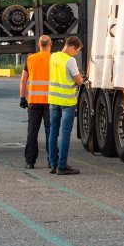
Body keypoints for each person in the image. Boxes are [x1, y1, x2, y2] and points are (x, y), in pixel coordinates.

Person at [45, 35, 84, 175]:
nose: (77, 53)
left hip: (53, 100)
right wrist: (83, 78)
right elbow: (79, 81)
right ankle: (62, 166)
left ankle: (53, 164)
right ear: (71, 47)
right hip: (67, 102)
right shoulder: (70, 60)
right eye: (77, 50)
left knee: (53, 132)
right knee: (65, 133)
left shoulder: (53, 57)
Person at [19, 35, 53, 169]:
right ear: (50, 44)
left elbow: (23, 80)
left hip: (33, 102)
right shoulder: (53, 59)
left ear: (39, 44)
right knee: (50, 131)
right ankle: (52, 160)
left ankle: (30, 161)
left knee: (32, 132)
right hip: (50, 101)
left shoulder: (30, 59)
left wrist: (22, 97)